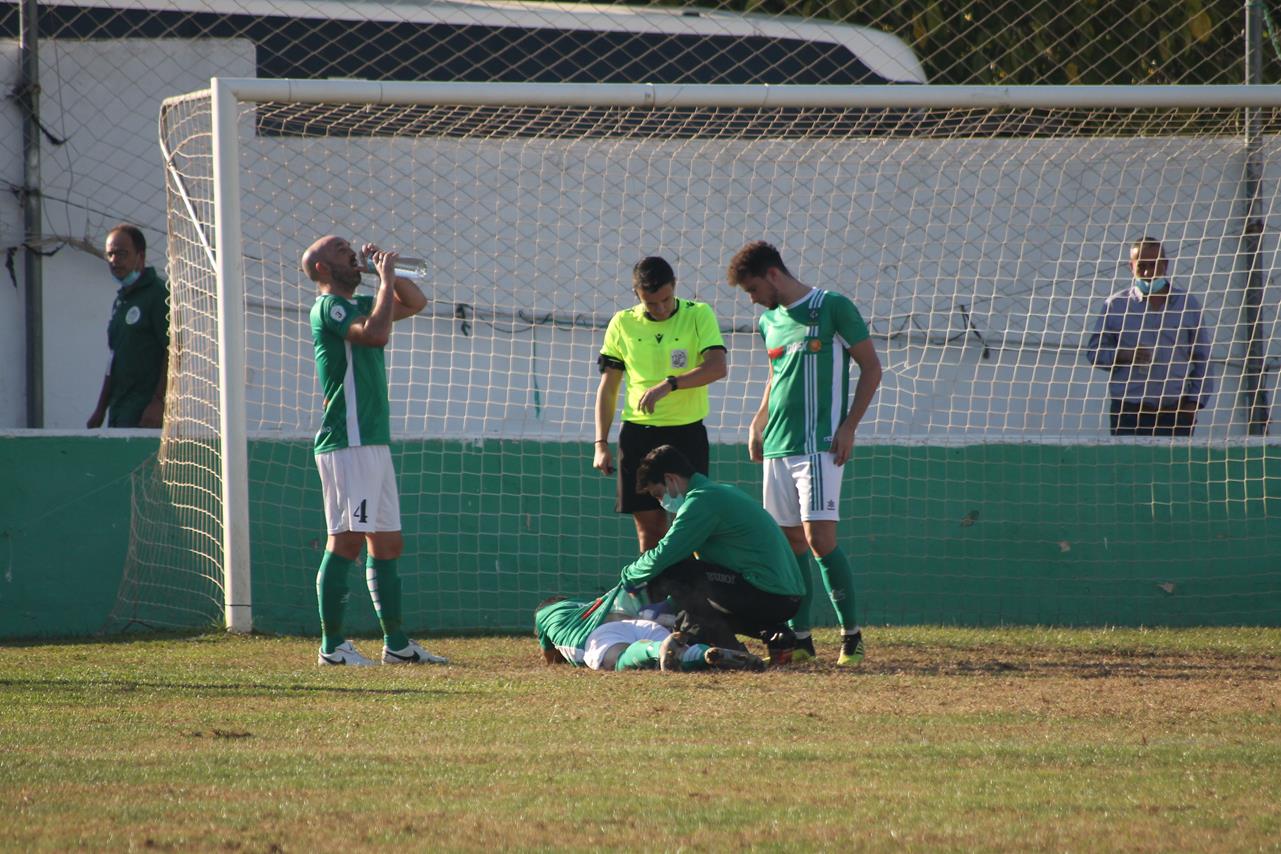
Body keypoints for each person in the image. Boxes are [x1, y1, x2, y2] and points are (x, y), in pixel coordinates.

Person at [726, 240, 882, 667]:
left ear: (773, 274)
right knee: (789, 543)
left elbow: (871, 367)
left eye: (753, 289)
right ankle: (801, 639)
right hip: (778, 446)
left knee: (820, 539)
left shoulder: (832, 307)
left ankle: (851, 637)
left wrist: (849, 427)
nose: (752, 299)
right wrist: (757, 422)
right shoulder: (769, 322)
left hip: (819, 445)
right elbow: (775, 375)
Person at [301, 235, 447, 666]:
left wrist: (388, 273)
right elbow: (376, 335)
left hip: (372, 442)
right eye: (341, 251)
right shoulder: (330, 307)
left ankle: (397, 645)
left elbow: (415, 302)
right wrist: (383, 281)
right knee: (346, 541)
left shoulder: (358, 303)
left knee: (387, 543)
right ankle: (332, 647)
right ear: (323, 268)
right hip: (348, 443)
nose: (352, 254)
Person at [617, 444, 805, 660]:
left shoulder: (701, 502)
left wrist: (628, 576)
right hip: (783, 597)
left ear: (670, 479)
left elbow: (663, 555)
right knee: (693, 598)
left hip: (768, 595)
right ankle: (775, 635)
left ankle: (728, 651)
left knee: (672, 574)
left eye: (659, 494)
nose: (661, 502)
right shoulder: (719, 492)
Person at [594, 257, 728, 553]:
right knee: (650, 530)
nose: (661, 308)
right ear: (637, 295)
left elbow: (717, 367)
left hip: (686, 435)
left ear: (674, 287)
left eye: (666, 300)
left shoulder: (698, 314)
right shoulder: (622, 323)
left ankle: (691, 585)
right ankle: (655, 585)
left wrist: (670, 384)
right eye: (651, 303)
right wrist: (600, 443)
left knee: (690, 526)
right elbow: (609, 387)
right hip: (638, 435)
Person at [1085, 237, 1213, 437]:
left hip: (1175, 410)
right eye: (1141, 266)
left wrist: (1194, 403)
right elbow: (1094, 352)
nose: (1147, 273)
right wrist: (1124, 355)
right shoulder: (1116, 305)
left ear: (1165, 265)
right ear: (1131, 267)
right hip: (1129, 410)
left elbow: (1203, 358)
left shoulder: (1187, 305)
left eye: (1154, 265)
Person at [534, 583, 765, 672]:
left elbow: (551, 659)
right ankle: (705, 654)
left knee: (619, 659)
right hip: (635, 623)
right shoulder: (584, 605)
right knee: (681, 654)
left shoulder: (543, 615)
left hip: (601, 635)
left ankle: (656, 649)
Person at [87, 224, 170, 429]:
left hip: (146, 413)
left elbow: (174, 351)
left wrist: (159, 402)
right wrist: (100, 409)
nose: (115, 260)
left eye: (122, 253)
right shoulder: (121, 301)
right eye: (110, 254)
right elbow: (113, 358)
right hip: (120, 410)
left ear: (140, 257)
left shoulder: (158, 294)